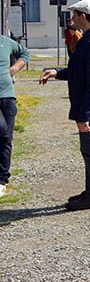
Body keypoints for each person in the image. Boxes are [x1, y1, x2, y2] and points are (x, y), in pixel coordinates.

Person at [39, 0, 90, 211]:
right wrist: (57, 72)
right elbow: (80, 71)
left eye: (74, 15)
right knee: (89, 150)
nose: (72, 19)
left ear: (83, 16)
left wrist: (85, 116)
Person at [0, 35, 29, 198]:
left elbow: (25, 53)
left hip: (8, 96)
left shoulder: (5, 42)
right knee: (2, 130)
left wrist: (14, 69)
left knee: (6, 139)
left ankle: (2, 180)